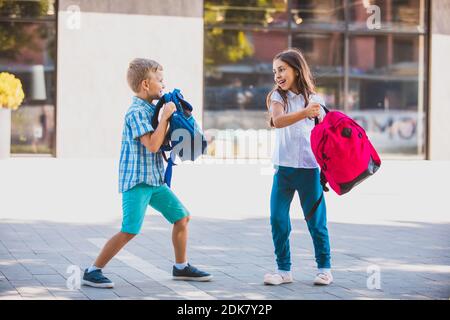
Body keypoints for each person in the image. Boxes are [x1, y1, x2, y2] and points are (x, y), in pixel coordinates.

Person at [82, 58, 212, 288]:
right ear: (145, 84)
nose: (163, 85)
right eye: (159, 80)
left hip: (154, 180)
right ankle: (93, 271)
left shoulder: (151, 109)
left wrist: (181, 120)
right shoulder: (135, 112)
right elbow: (152, 145)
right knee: (130, 229)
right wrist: (164, 118)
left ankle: (181, 267)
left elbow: (163, 140)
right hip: (138, 181)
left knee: (182, 217)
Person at [264, 49, 333, 286]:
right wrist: (304, 112)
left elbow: (326, 133)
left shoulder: (315, 100)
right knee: (277, 219)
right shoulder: (277, 97)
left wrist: (318, 113)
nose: (278, 75)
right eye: (275, 71)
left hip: (309, 169)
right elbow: (277, 121)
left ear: (296, 69)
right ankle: (284, 271)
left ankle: (324, 269)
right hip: (283, 169)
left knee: (316, 221)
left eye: (282, 69)